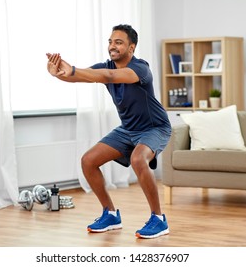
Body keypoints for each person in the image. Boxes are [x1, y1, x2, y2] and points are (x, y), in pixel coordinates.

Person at [46, 24, 171, 239]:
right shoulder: (106, 66)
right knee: (88, 161)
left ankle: (158, 219)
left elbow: (109, 76)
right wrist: (58, 74)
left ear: (131, 47)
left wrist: (74, 70)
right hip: (128, 129)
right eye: (110, 41)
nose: (112, 46)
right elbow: (82, 75)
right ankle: (111, 214)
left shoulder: (140, 68)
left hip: (154, 128)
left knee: (138, 159)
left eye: (119, 42)